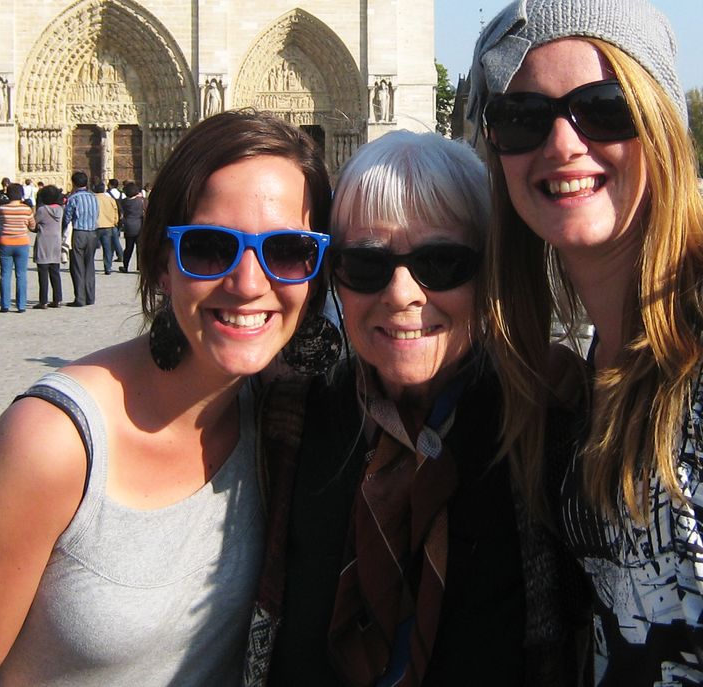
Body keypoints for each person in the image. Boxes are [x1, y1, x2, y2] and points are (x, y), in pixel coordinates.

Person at [0, 109, 333, 686]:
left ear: (316, 273)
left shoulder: (281, 416)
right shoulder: (51, 442)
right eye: (211, 248)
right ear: (163, 265)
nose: (248, 282)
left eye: (288, 251)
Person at [246, 130, 586, 686]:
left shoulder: (549, 423)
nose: (402, 293)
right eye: (366, 265)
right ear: (335, 279)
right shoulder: (284, 413)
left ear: (489, 270)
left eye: (443, 262)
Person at [468, 0, 703, 684]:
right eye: (522, 119)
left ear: (661, 124)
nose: (563, 143)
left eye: (604, 109)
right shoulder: (594, 370)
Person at [0, 182, 35, 313]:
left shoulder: (2, 209)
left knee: (5, 274)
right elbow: (33, 226)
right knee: (21, 274)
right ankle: (21, 305)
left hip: (5, 242)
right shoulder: (26, 209)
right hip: (22, 243)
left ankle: (5, 305)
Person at [63, 171, 99, 306]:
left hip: (79, 233)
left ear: (73, 183)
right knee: (90, 264)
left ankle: (80, 298)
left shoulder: (73, 198)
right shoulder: (93, 197)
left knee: (78, 266)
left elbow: (67, 217)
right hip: (93, 233)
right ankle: (90, 297)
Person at [31, 184, 64, 309]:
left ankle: (43, 300)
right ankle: (58, 299)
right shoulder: (60, 210)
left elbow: (34, 224)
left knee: (43, 273)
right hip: (56, 242)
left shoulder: (42, 210)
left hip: (44, 242)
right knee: (55, 272)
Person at [93, 181, 119, 275]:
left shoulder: (93, 199)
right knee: (107, 248)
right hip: (108, 226)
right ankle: (108, 267)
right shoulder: (110, 199)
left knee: (92, 248)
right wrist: (114, 222)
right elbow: (116, 211)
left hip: (96, 226)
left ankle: (90, 266)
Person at [118, 180, 144, 273]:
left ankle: (125, 266)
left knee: (129, 248)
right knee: (140, 248)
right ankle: (140, 266)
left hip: (128, 226)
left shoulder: (124, 202)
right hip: (139, 225)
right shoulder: (140, 201)